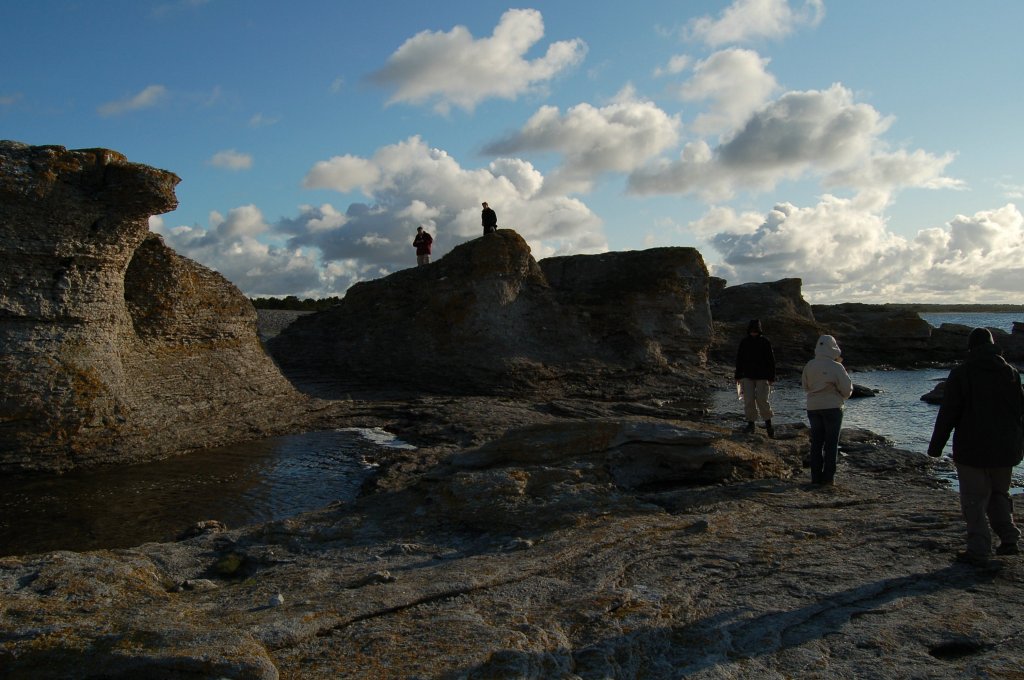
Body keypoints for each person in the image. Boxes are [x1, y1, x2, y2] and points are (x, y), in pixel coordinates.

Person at [927, 327, 1023, 563]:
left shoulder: (962, 373)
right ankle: (1009, 539)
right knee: (1000, 493)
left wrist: (936, 446)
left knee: (974, 499)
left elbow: (948, 413)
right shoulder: (1010, 372)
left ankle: (979, 549)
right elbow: (1020, 412)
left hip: (972, 448)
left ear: (971, 348)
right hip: (1005, 448)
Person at [801, 334, 854, 486]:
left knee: (816, 443)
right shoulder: (836, 366)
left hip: (813, 407)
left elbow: (805, 387)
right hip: (832, 407)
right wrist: (840, 396)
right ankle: (828, 478)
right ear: (834, 347)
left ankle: (815, 477)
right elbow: (847, 389)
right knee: (831, 444)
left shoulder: (810, 365)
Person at [734, 319, 776, 437]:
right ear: (749, 330)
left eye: (755, 330)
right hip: (747, 376)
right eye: (752, 330)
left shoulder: (765, 342)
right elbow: (739, 359)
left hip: (763, 376)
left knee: (762, 400)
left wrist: (771, 377)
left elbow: (771, 360)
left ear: (759, 330)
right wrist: (738, 375)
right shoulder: (744, 342)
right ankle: (751, 424)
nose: (753, 332)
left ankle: (768, 424)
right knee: (748, 400)